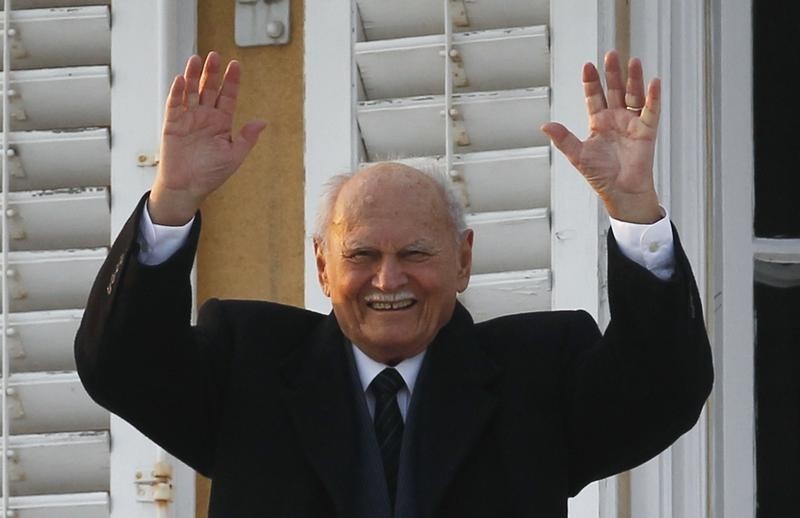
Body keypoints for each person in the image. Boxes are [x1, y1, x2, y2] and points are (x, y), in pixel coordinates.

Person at [75, 50, 713, 517]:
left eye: (415, 252)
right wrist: (172, 202)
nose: (388, 278)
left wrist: (634, 214)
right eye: (362, 255)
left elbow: (665, 389)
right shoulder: (248, 362)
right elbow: (119, 366)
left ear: (463, 260)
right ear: (322, 266)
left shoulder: (539, 372)